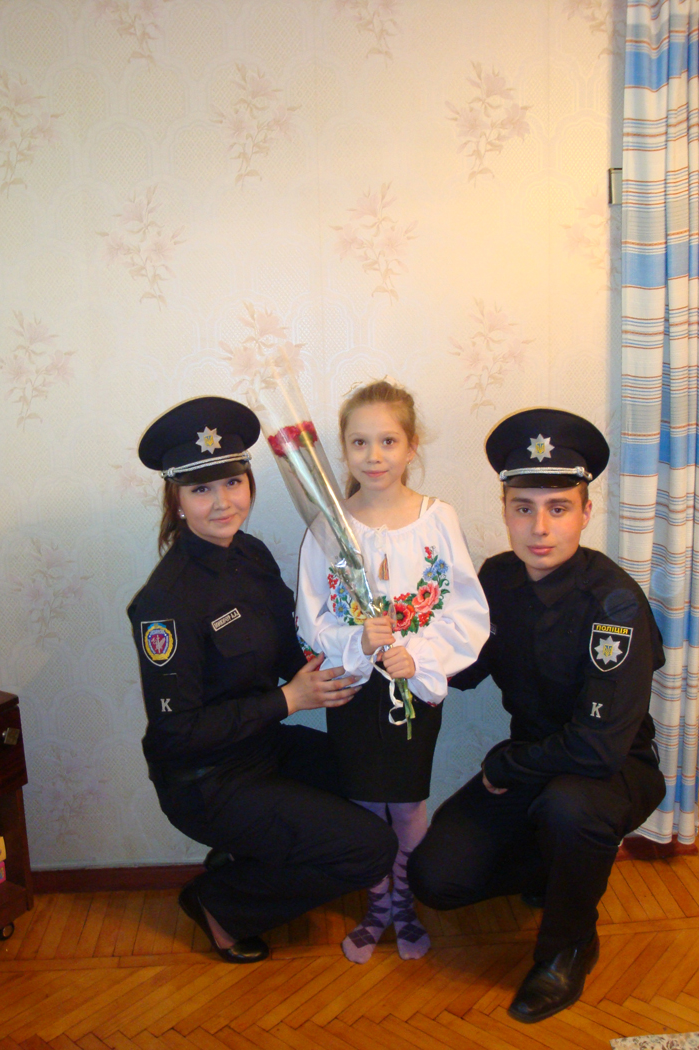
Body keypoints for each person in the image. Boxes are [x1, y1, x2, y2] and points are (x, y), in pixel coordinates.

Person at [408, 408, 666, 1022]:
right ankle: (556, 867)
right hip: (533, 765)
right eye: (524, 508)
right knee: (436, 880)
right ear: (505, 510)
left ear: (586, 512)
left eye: (559, 508)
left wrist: (507, 765)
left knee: (569, 807)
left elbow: (599, 748)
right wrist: (406, 642)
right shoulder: (497, 580)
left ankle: (568, 947)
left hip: (613, 770)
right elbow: (464, 669)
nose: (540, 527)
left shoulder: (614, 605)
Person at [127, 396, 398, 963]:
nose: (222, 502)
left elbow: (291, 644)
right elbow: (178, 733)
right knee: (371, 848)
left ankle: (246, 857)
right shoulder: (165, 604)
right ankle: (221, 905)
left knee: (369, 770)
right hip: (207, 779)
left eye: (232, 482)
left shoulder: (249, 555)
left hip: (262, 747)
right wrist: (288, 700)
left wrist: (361, 646)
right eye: (201, 490)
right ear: (176, 501)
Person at [296, 380, 490, 963]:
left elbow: (467, 611)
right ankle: (376, 903)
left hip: (413, 691)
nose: (374, 455)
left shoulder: (437, 519)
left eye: (388, 441)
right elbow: (310, 620)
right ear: (344, 449)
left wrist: (420, 657)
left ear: (411, 446)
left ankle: (404, 902)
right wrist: (356, 642)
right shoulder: (328, 527)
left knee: (405, 806)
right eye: (360, 442)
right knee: (362, 806)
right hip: (352, 690)